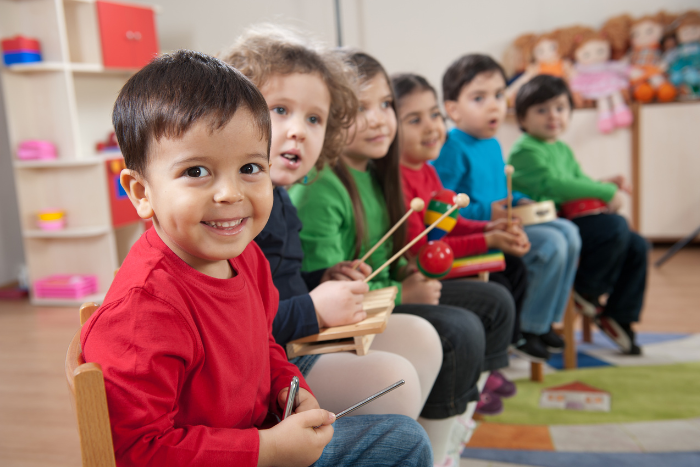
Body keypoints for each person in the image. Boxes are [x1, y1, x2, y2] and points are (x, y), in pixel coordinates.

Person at [80, 50, 432, 467]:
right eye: (196, 172)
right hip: (239, 454)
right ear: (141, 193)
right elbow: (136, 452)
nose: (231, 194)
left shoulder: (246, 257)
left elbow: (263, 342)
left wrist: (291, 387)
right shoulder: (143, 313)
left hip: (255, 436)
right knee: (404, 443)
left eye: (250, 168)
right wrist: (267, 450)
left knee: (403, 438)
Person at [290, 50, 515, 467]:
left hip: (381, 298)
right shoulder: (322, 189)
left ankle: (455, 426)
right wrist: (402, 288)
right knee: (457, 329)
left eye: (385, 104)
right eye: (360, 108)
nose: (378, 118)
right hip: (348, 320)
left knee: (494, 303)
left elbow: (395, 258)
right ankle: (439, 444)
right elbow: (328, 288)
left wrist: (412, 272)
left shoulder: (378, 174)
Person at [218, 25, 442, 420]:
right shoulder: (233, 212)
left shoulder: (280, 197)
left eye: (314, 119)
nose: (298, 131)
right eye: (281, 110)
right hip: (267, 367)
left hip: (293, 339)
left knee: (424, 339)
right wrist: (313, 308)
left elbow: (278, 285)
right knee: (397, 378)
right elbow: (240, 324)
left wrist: (319, 279)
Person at [432, 54, 581, 361]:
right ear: (453, 110)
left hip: (503, 222)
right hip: (482, 232)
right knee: (552, 242)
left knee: (569, 231)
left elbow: (502, 189)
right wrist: (490, 212)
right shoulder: (451, 146)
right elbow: (444, 210)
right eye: (479, 98)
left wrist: (520, 198)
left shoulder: (493, 144)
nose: (494, 105)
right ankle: (527, 327)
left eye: (499, 95)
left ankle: (543, 322)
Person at [393, 71, 528, 399]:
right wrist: (488, 240)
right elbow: (425, 245)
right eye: (414, 119)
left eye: (434, 115)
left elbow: (449, 222)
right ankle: (482, 372)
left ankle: (493, 364)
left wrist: (488, 228)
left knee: (515, 268)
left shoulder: (426, 169)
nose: (431, 127)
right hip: (424, 268)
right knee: (498, 291)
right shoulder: (398, 179)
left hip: (439, 255)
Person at [509, 74, 648, 355]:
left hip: (567, 221)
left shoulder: (561, 148)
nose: (553, 116)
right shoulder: (524, 150)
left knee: (638, 245)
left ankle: (618, 314)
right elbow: (553, 185)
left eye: (560, 108)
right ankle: (586, 289)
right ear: (522, 119)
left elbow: (580, 183)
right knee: (615, 227)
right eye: (541, 109)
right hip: (547, 224)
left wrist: (604, 185)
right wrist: (606, 192)